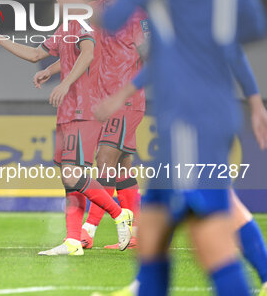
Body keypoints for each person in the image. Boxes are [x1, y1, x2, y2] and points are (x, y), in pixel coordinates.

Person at [93, 0, 266, 293]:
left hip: (190, 110)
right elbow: (251, 23)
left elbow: (116, 15)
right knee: (151, 232)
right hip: (207, 103)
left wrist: (87, 6)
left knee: (211, 237)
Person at [0, 0, 134, 256]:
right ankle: (73, 241)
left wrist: (65, 83)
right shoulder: (71, 22)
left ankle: (119, 214)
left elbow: (88, 53)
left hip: (83, 107)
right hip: (71, 108)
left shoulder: (83, 18)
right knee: (70, 180)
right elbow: (36, 53)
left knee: (73, 174)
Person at [92, 46, 267, 296]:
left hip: (197, 123)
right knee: (175, 211)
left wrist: (255, 102)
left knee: (203, 225)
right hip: (189, 122)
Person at [35, 0, 147, 250]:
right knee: (122, 168)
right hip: (100, 100)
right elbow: (81, 48)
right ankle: (137, 233)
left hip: (125, 100)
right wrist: (51, 68)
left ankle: (87, 231)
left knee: (104, 163)